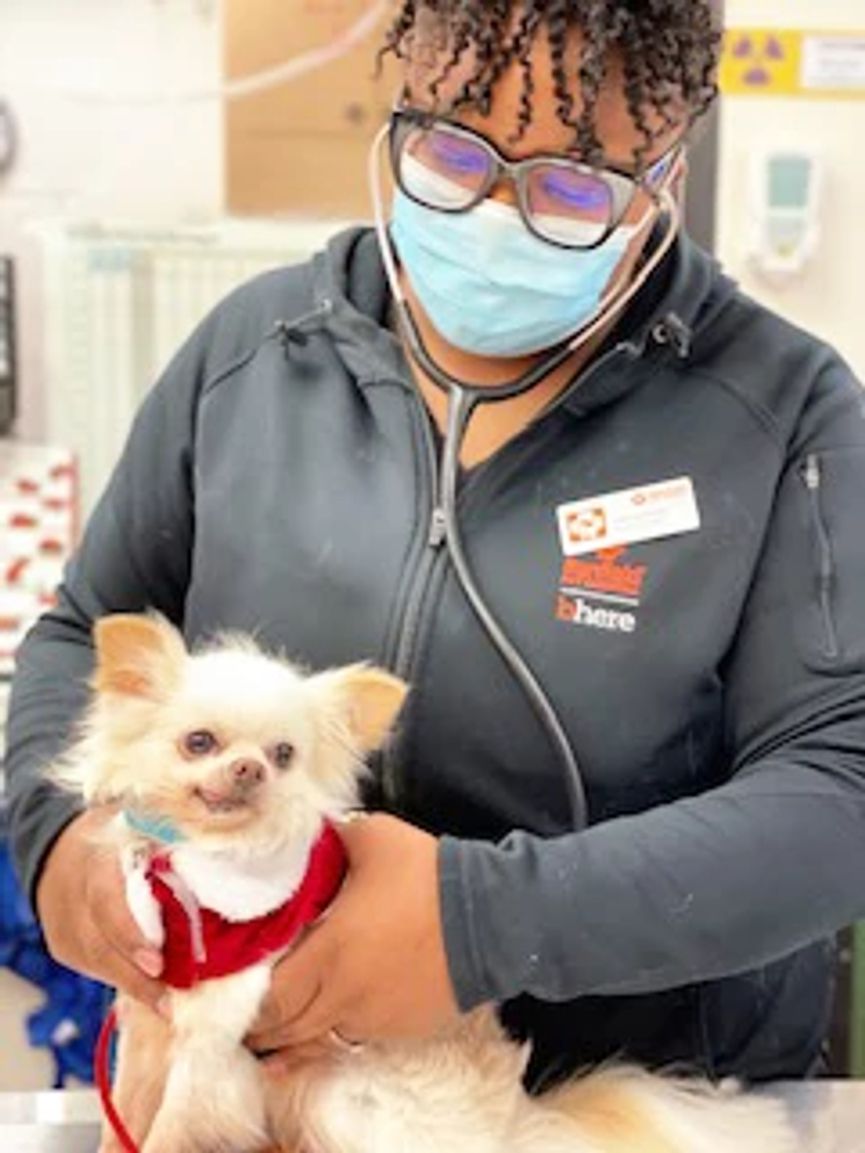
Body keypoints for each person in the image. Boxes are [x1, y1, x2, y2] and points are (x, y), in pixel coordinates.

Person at [6, 0, 865, 1096]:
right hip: (271, 1099)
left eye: (571, 189)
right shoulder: (253, 359)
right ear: (399, 94)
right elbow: (88, 627)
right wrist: (54, 842)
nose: (498, 217)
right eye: (453, 151)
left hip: (629, 1105)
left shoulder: (783, 415)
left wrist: (480, 925)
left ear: (666, 179)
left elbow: (838, 789)